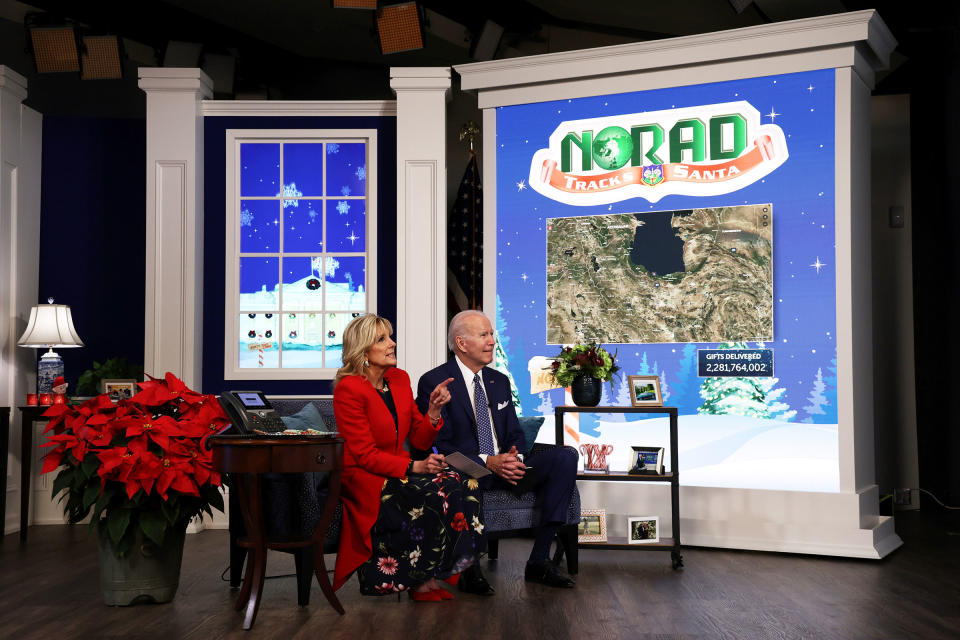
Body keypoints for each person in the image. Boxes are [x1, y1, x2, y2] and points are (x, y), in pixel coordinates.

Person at [416, 310, 578, 590]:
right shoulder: (435, 381)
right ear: (462, 343)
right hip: (470, 470)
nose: (492, 340)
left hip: (506, 468)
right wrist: (488, 461)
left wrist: (514, 458)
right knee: (462, 478)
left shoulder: (498, 381)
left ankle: (539, 560)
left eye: (492, 334)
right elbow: (443, 445)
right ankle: (469, 569)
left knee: (566, 456)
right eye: (484, 335)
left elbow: (514, 432)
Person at [332, 314, 484, 601]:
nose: (392, 343)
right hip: (365, 476)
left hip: (398, 468)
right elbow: (364, 455)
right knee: (437, 490)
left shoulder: (399, 380)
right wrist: (415, 466)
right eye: (382, 339)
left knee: (464, 481)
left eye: (389, 337)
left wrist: (434, 411)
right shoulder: (349, 389)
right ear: (363, 351)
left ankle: (440, 571)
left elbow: (419, 438)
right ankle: (418, 582)